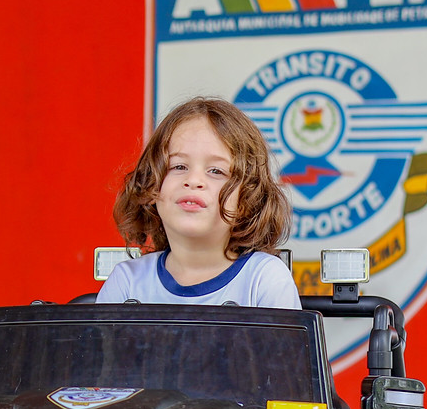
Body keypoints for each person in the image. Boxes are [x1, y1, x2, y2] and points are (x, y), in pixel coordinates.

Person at [100, 96, 301, 308]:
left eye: (216, 171)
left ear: (247, 200)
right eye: (178, 167)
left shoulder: (265, 279)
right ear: (151, 186)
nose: (193, 181)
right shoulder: (127, 282)